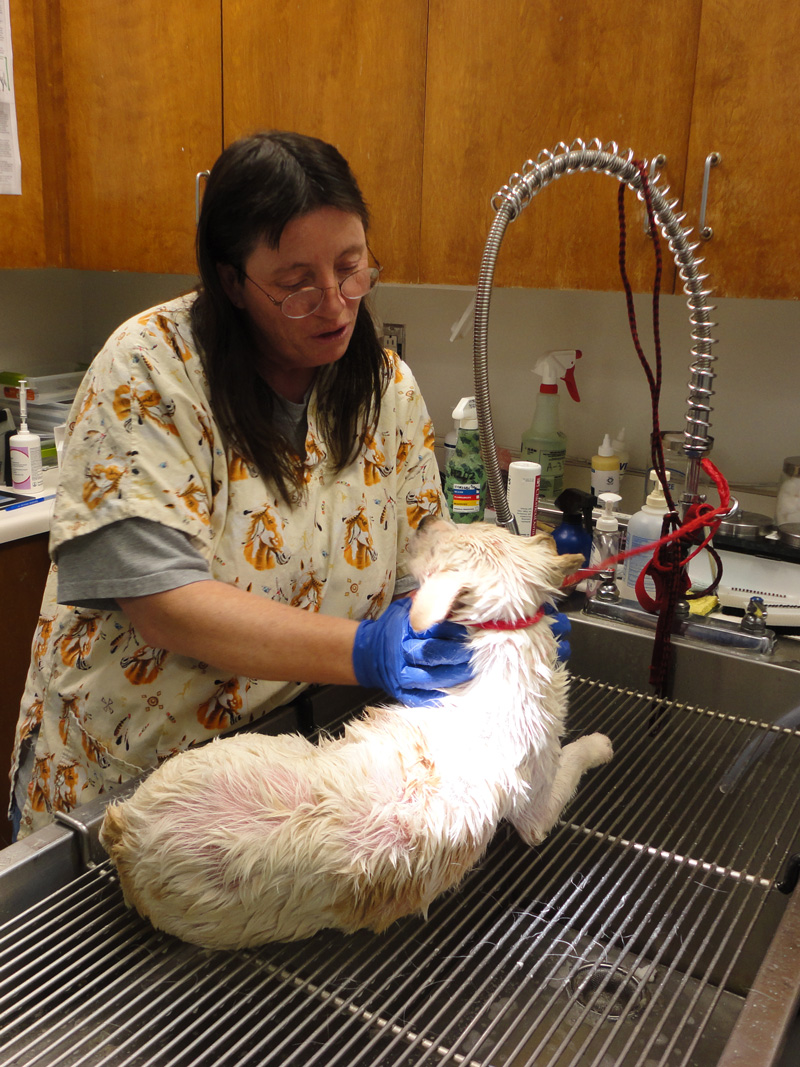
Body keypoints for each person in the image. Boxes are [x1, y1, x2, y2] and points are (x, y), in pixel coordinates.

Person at [8, 131, 474, 840]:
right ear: (232, 281)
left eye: (352, 268)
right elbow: (167, 605)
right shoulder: (149, 372)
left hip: (287, 783)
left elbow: (424, 553)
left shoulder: (385, 387)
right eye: (295, 283)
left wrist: (482, 614)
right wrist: (365, 650)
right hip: (130, 786)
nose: (335, 302)